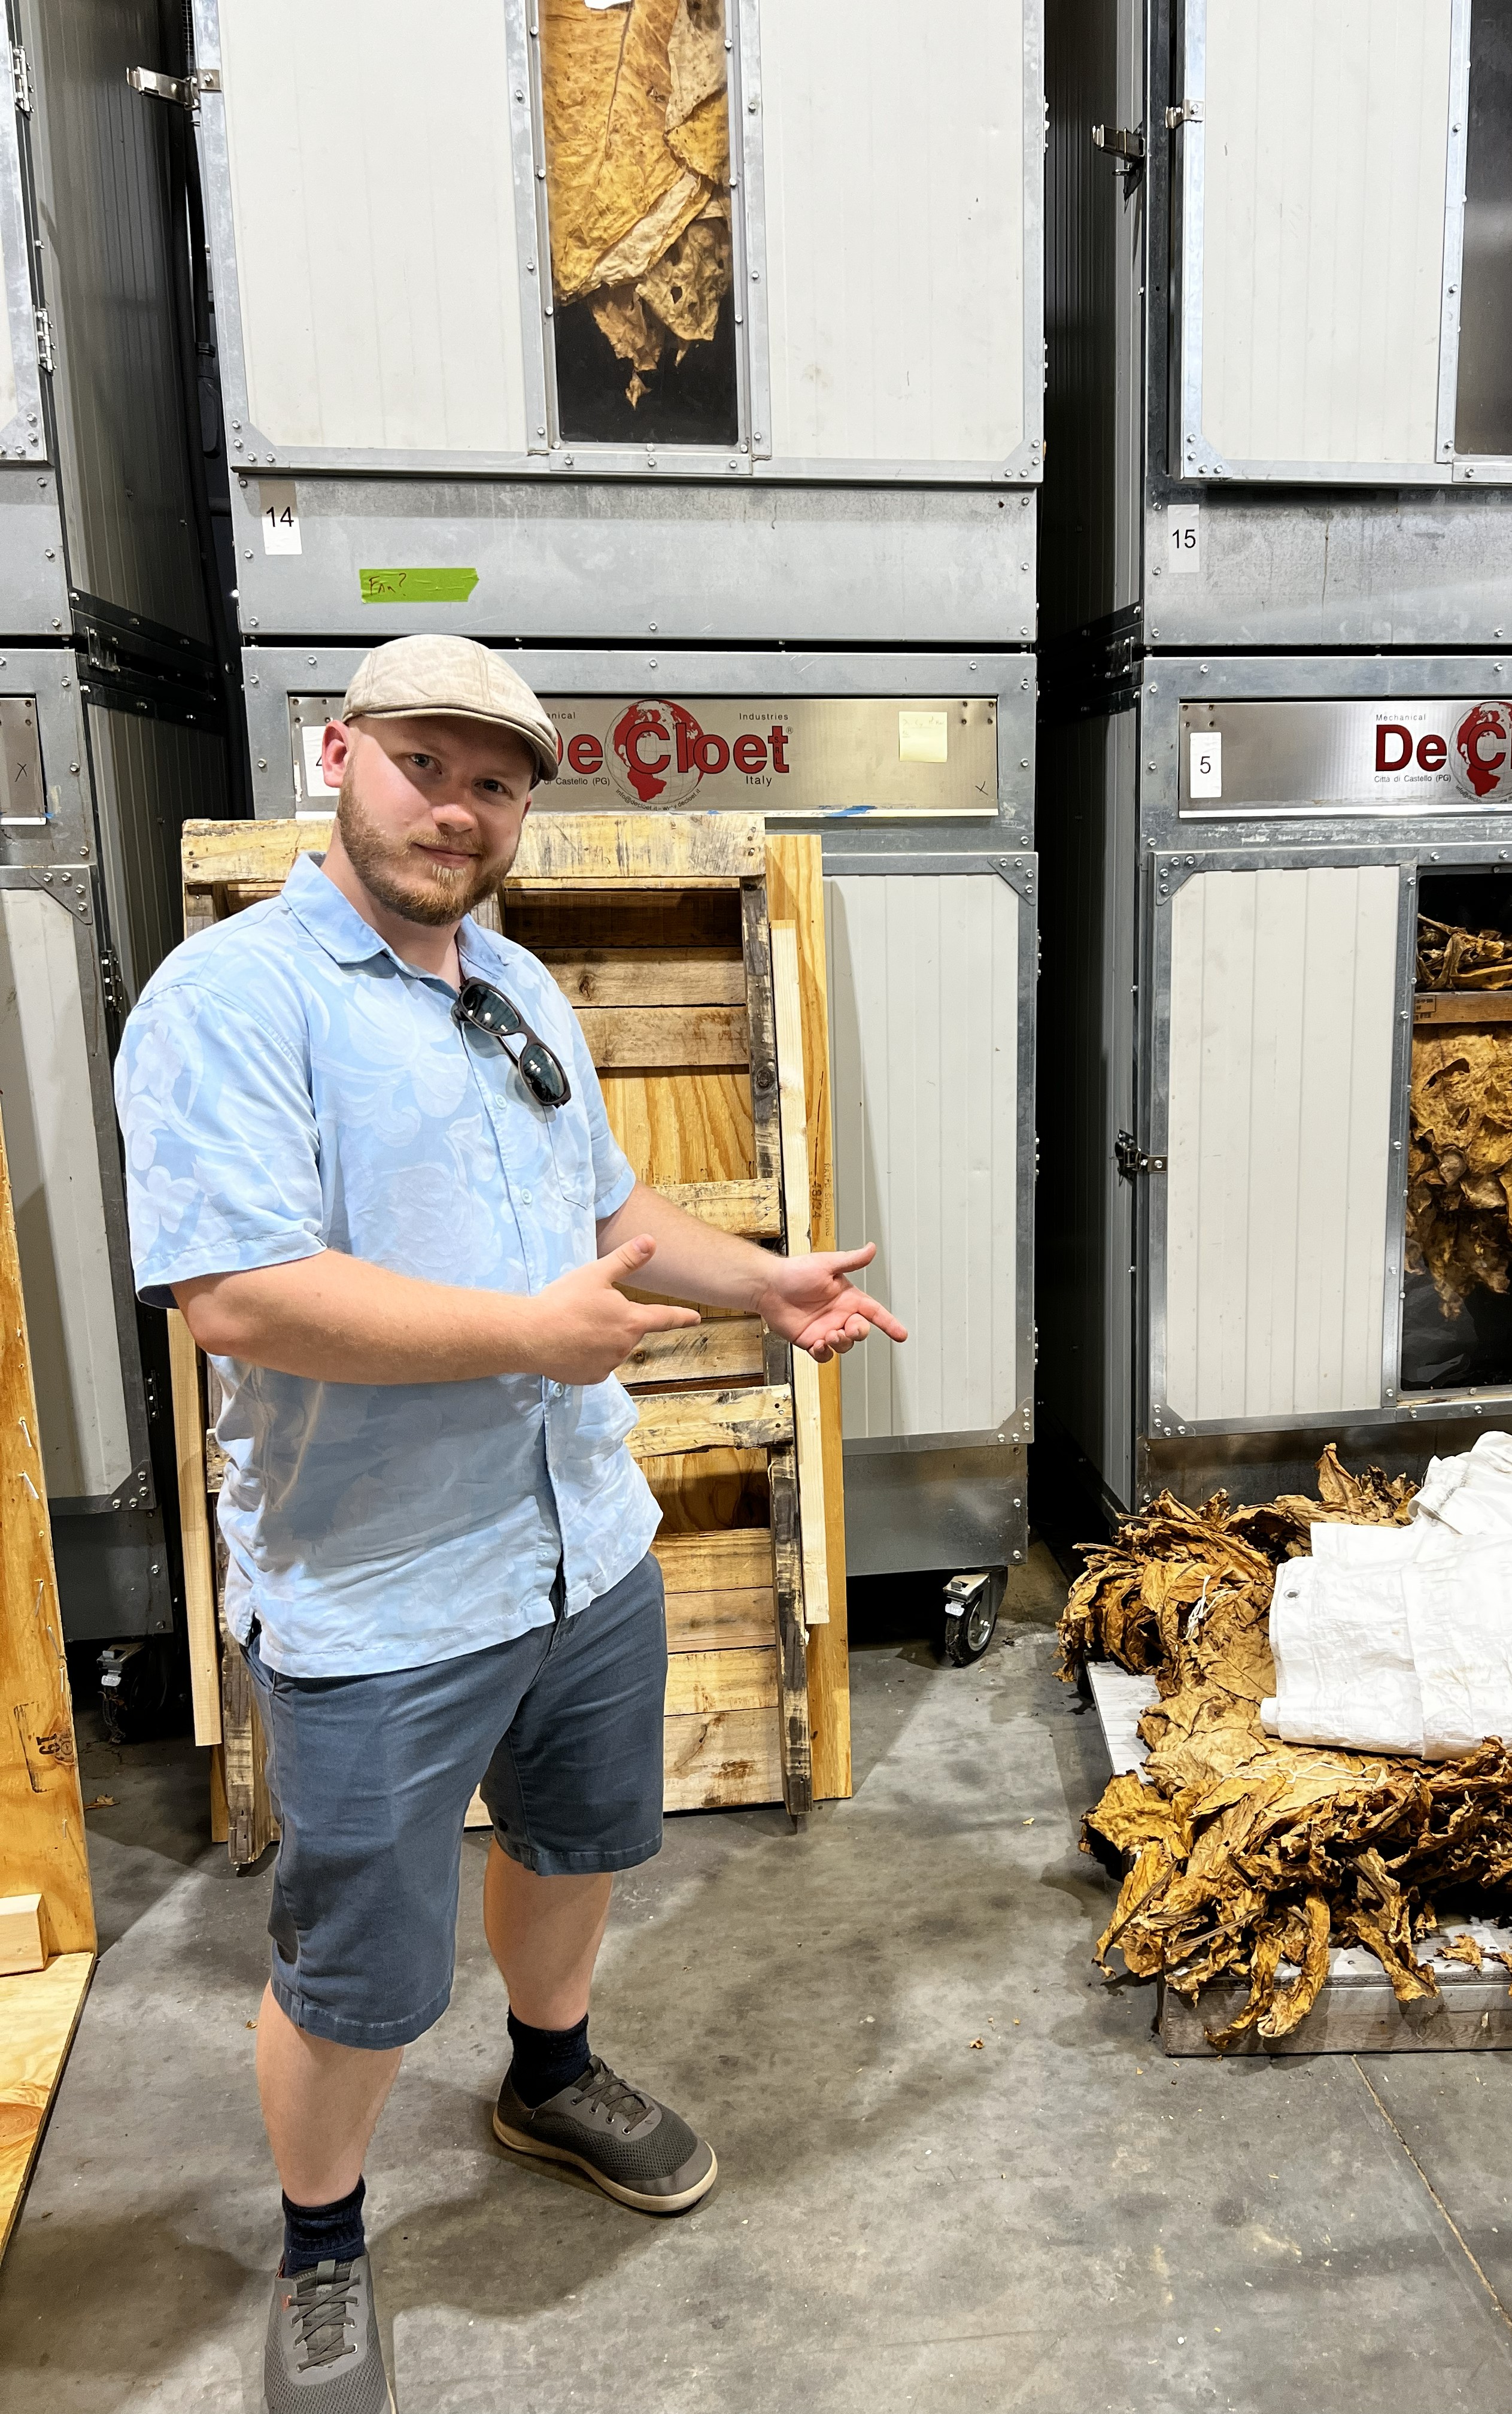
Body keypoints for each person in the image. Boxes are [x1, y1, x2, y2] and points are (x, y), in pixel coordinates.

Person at [114, 635, 906, 2414]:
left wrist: (763, 1280)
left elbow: (610, 1216)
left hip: (582, 1546)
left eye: (495, 784)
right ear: (341, 758)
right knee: (355, 1962)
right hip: (380, 1588)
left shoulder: (519, 984)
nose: (457, 810)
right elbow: (239, 1293)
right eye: (425, 765)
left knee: (576, 1843)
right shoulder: (233, 1000)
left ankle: (548, 2078)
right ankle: (324, 2243)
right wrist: (528, 1338)